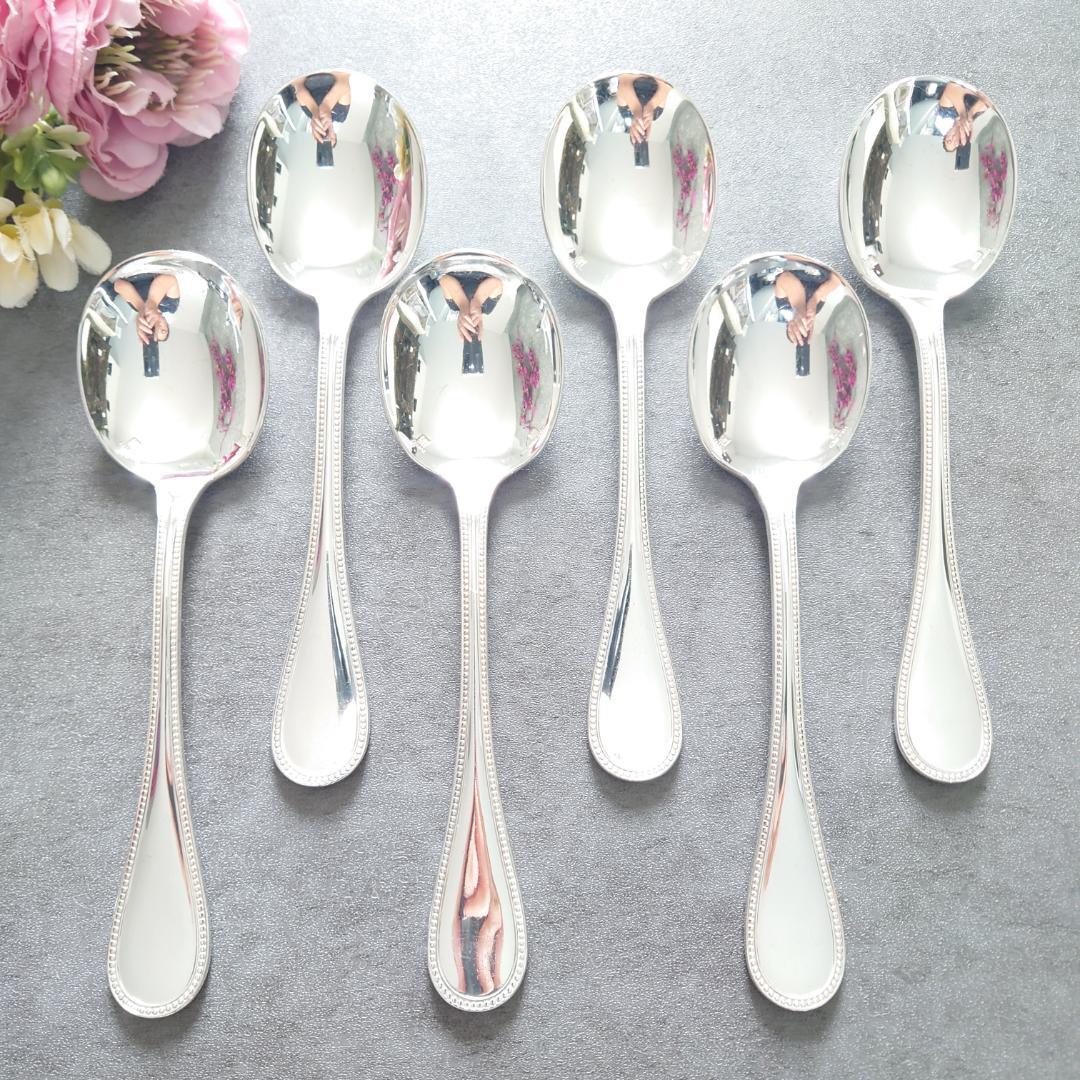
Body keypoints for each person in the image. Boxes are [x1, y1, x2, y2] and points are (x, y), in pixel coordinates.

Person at [107, 273, 180, 377]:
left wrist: (142, 308)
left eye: (154, 331)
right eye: (163, 330)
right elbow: (169, 279)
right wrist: (152, 303)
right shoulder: (170, 307)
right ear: (166, 323)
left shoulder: (137, 308)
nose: (158, 327)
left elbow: (119, 285)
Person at [773, 268, 841, 376]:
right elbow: (837, 278)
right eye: (805, 334)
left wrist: (799, 309)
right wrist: (815, 298)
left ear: (790, 325)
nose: (803, 328)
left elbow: (785, 277)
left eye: (798, 330)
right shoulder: (815, 308)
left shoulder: (784, 307)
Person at [436, 272, 503, 374]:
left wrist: (463, 304)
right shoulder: (487, 308)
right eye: (474, 331)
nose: (471, 325)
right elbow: (497, 283)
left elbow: (444, 280)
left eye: (467, 328)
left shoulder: (454, 305)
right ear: (479, 330)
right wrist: (477, 301)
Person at [288, 72, 351, 165]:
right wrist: (327, 105)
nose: (326, 136)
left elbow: (298, 85)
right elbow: (343, 79)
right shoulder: (340, 116)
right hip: (333, 69)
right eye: (331, 139)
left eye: (323, 140)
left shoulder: (310, 114)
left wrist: (315, 111)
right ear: (334, 134)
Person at [615, 73, 671, 166]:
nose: (641, 131)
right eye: (643, 136)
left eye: (637, 135)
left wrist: (636, 110)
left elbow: (624, 80)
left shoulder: (625, 112)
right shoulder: (656, 113)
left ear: (631, 131)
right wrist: (651, 106)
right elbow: (666, 85)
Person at [934, 83, 988, 169]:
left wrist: (962, 113)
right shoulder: (970, 124)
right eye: (955, 143)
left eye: (948, 140)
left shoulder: (945, 113)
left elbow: (951, 87)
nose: (953, 139)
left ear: (946, 134)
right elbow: (987, 101)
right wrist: (970, 114)